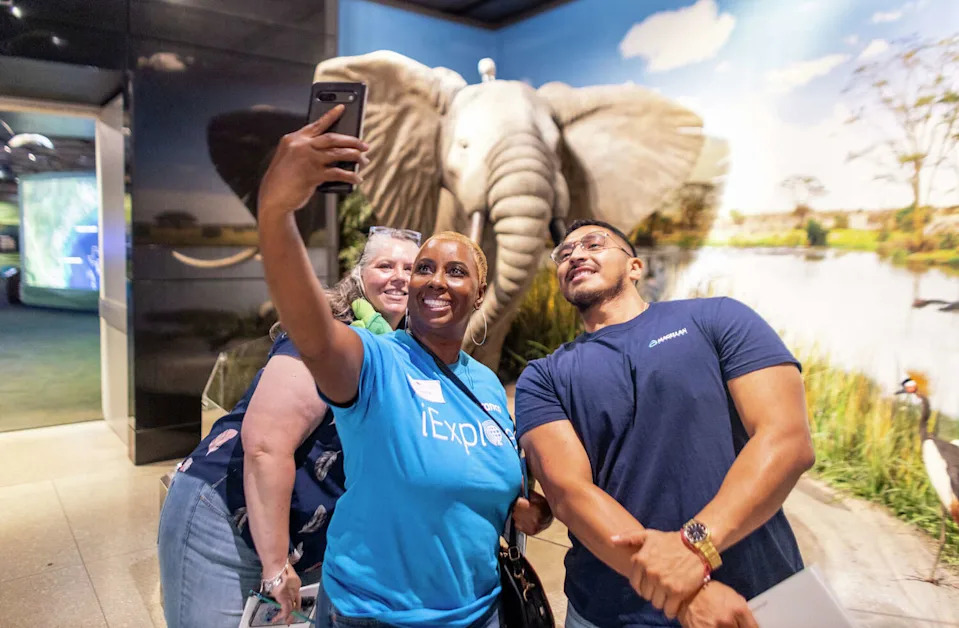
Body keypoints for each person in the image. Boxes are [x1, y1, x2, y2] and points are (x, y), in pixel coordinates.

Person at [254, 104, 553, 628]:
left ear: (477, 293)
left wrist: (516, 508)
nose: (435, 280)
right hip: (374, 613)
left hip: (478, 611)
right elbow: (313, 333)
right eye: (424, 269)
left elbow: (482, 480)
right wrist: (276, 213)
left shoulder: (484, 383)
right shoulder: (375, 360)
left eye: (454, 271)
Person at [515, 219, 816, 628]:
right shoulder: (544, 376)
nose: (576, 255)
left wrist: (695, 548)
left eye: (594, 244)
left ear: (635, 267)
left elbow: (786, 439)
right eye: (564, 254)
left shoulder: (717, 317)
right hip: (612, 613)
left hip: (754, 602)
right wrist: (688, 590)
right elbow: (570, 492)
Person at [158, 225, 422, 628]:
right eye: (386, 265)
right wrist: (276, 564)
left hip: (308, 533)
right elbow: (265, 447)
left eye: (412, 267)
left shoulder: (404, 352)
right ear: (359, 276)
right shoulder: (325, 337)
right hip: (230, 514)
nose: (400, 276)